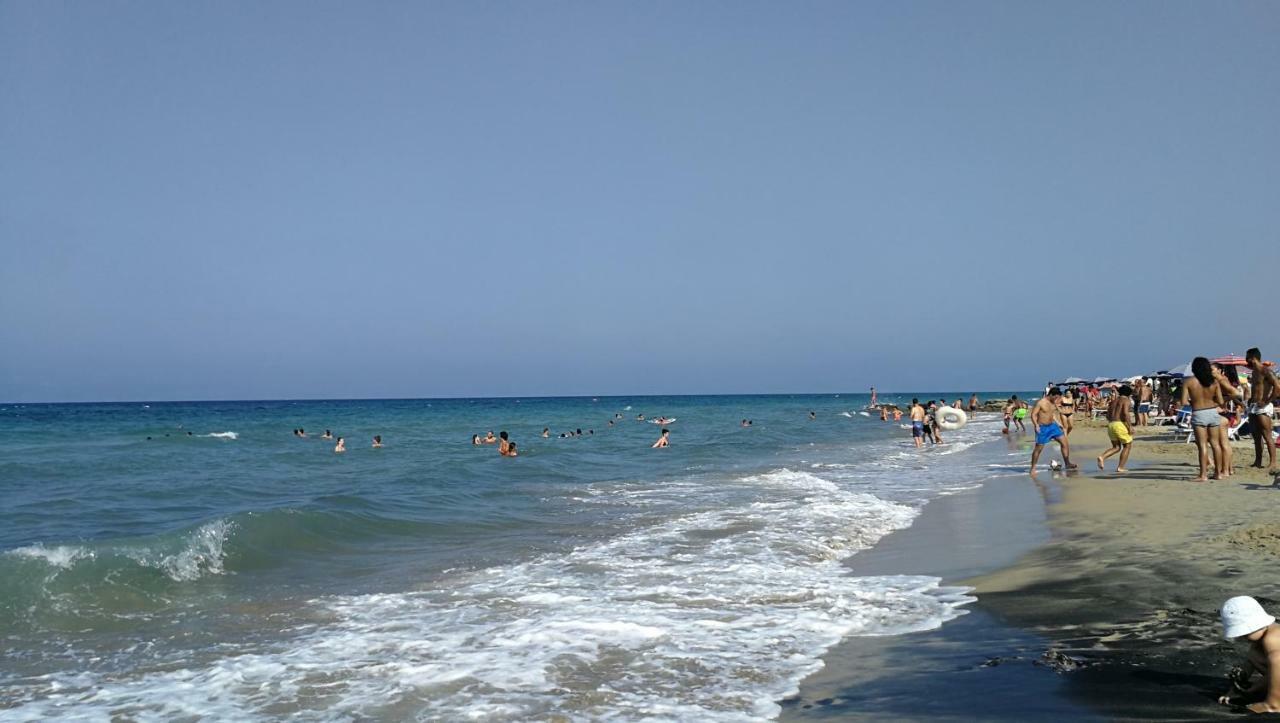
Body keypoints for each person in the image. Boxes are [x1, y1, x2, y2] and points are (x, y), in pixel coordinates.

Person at [1217, 596, 1280, 713]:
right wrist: (1238, 690)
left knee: (1275, 659)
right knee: (1254, 656)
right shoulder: (1262, 638)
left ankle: (1273, 705)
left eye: (1244, 633)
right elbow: (1250, 664)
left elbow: (1278, 660)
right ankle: (1250, 692)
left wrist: (1272, 704)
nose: (1241, 637)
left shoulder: (1273, 637)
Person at [1181, 357, 1226, 481]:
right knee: (1215, 444)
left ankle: (1203, 475)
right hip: (1213, 412)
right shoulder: (1214, 382)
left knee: (1202, 445)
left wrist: (1193, 401)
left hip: (1199, 412)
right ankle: (1218, 473)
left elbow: (1184, 401)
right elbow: (1221, 401)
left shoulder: (1189, 381)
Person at [1246, 348, 1279, 474]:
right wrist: (1250, 399)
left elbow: (1277, 387)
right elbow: (1256, 388)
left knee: (1267, 434)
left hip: (1263, 406)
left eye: (1247, 357)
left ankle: (1273, 462)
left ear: (1252, 357)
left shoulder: (1265, 371)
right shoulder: (1254, 372)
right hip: (1254, 405)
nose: (1246, 360)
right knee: (1256, 435)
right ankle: (1258, 461)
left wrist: (1267, 401)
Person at [1030, 388, 1076, 473]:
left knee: (1064, 443)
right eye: (1055, 397)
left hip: (1053, 426)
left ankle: (1067, 463)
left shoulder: (1053, 402)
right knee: (1038, 449)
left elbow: (1052, 413)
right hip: (1042, 428)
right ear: (1051, 394)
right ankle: (1033, 468)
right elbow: (1033, 415)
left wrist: (1058, 423)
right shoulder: (1040, 402)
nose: (1056, 399)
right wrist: (1036, 425)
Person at [1216, 364, 1246, 478]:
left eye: (1213, 369)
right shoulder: (1229, 381)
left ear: (1220, 370)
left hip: (1221, 413)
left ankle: (1226, 470)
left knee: (1223, 444)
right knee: (1225, 444)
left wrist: (1224, 400)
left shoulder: (1223, 380)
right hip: (1225, 412)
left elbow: (1234, 394)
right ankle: (1230, 469)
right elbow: (1235, 395)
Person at [1097, 384, 1134, 473]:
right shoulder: (1126, 400)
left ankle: (1102, 457)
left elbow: (1108, 416)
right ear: (1129, 394)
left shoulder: (1114, 401)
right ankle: (1120, 467)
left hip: (1111, 424)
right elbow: (1125, 413)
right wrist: (1130, 426)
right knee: (1127, 446)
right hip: (1119, 424)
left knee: (1116, 447)